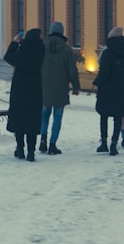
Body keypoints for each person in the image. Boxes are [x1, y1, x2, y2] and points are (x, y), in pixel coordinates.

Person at [38, 21, 80, 155]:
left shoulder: (42, 47)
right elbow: (72, 70)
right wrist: (75, 86)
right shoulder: (67, 50)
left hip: (44, 87)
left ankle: (43, 139)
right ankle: (52, 144)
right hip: (61, 88)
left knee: (44, 113)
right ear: (62, 32)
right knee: (57, 116)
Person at [4, 28, 45, 162]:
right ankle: (31, 152)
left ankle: (20, 148)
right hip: (35, 89)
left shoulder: (22, 51)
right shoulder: (41, 50)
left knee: (20, 119)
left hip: (20, 89)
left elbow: (8, 57)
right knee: (32, 120)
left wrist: (15, 43)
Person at [93, 26, 124, 156]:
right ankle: (114, 144)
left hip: (107, 88)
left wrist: (97, 82)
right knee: (117, 116)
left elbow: (104, 72)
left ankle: (103, 142)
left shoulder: (107, 53)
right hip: (120, 87)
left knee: (104, 115)